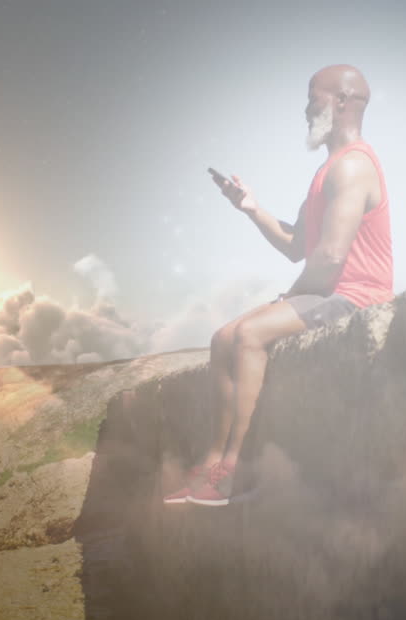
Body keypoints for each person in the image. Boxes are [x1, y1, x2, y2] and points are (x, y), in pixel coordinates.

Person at [164, 64, 393, 507]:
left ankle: (235, 470)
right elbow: (296, 246)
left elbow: (329, 259)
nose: (305, 110)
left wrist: (287, 299)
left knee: (250, 334)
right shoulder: (327, 172)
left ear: (341, 102)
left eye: (312, 98)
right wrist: (251, 208)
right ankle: (211, 464)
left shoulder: (354, 166)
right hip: (326, 294)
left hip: (357, 297)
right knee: (222, 338)